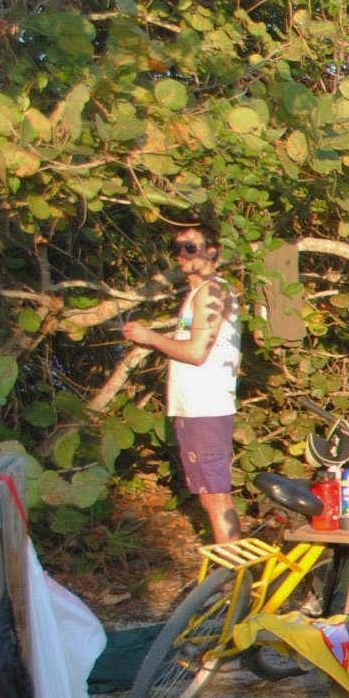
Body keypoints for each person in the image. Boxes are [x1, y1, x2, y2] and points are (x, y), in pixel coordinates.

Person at [123, 219, 242, 542]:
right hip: (195, 408)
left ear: (212, 252)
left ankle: (234, 581)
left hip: (207, 407)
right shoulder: (199, 294)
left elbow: (196, 352)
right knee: (209, 495)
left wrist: (150, 337)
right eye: (177, 248)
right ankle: (232, 577)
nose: (182, 255)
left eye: (191, 247)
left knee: (216, 497)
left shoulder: (212, 292)